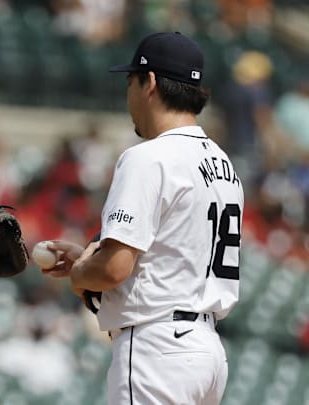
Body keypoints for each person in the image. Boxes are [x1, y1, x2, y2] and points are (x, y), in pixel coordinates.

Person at [41, 32, 244, 404]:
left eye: (130, 81)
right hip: (208, 352)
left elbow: (113, 269)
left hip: (158, 349)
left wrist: (80, 273)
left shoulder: (147, 156)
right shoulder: (223, 162)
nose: (128, 93)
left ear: (149, 83)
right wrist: (88, 255)